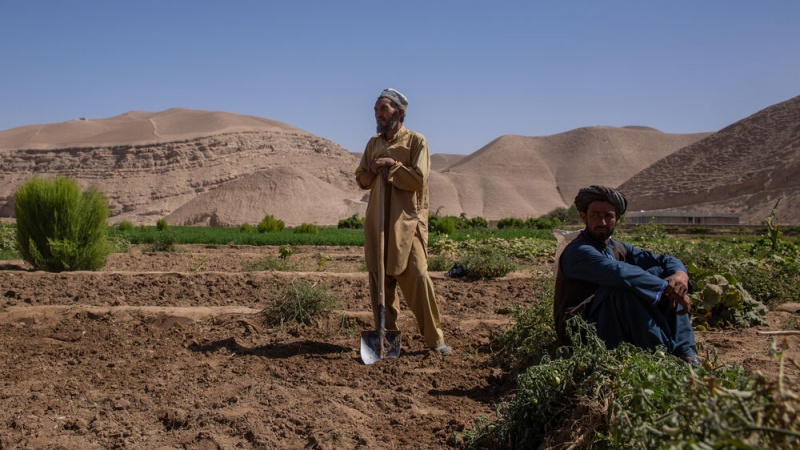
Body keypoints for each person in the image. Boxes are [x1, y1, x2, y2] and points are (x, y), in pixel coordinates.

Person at [553, 185, 698, 363]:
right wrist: (666, 288)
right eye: (595, 215)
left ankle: (686, 353)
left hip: (611, 324)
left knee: (662, 274)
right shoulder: (578, 251)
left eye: (608, 216)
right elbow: (621, 273)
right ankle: (660, 354)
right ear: (583, 217)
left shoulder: (616, 247)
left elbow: (663, 260)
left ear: (617, 219)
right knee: (622, 290)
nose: (602, 222)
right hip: (580, 329)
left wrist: (680, 275)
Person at [355, 88, 451, 355]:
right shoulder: (373, 144)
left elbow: (419, 179)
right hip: (378, 223)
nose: (378, 114)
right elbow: (361, 179)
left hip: (407, 223)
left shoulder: (416, 142)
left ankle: (435, 340)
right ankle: (387, 340)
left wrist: (392, 166)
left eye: (383, 109)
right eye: (375, 110)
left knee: (418, 278)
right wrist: (373, 169)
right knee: (380, 284)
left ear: (398, 112)